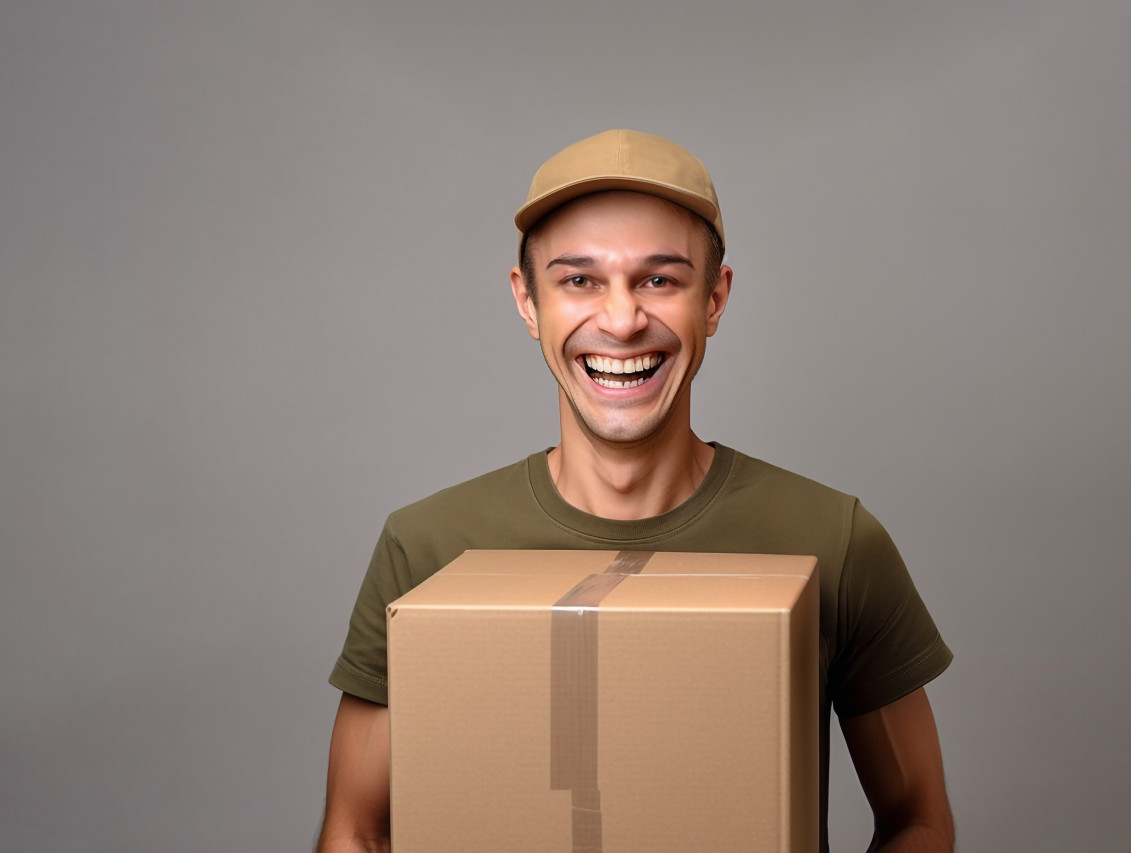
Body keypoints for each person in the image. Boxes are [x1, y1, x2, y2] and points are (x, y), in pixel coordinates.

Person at [317, 129, 955, 853]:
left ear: (714, 299)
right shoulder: (426, 548)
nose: (621, 321)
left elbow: (918, 820)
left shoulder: (833, 540)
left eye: (659, 279)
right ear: (528, 302)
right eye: (579, 280)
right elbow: (355, 829)